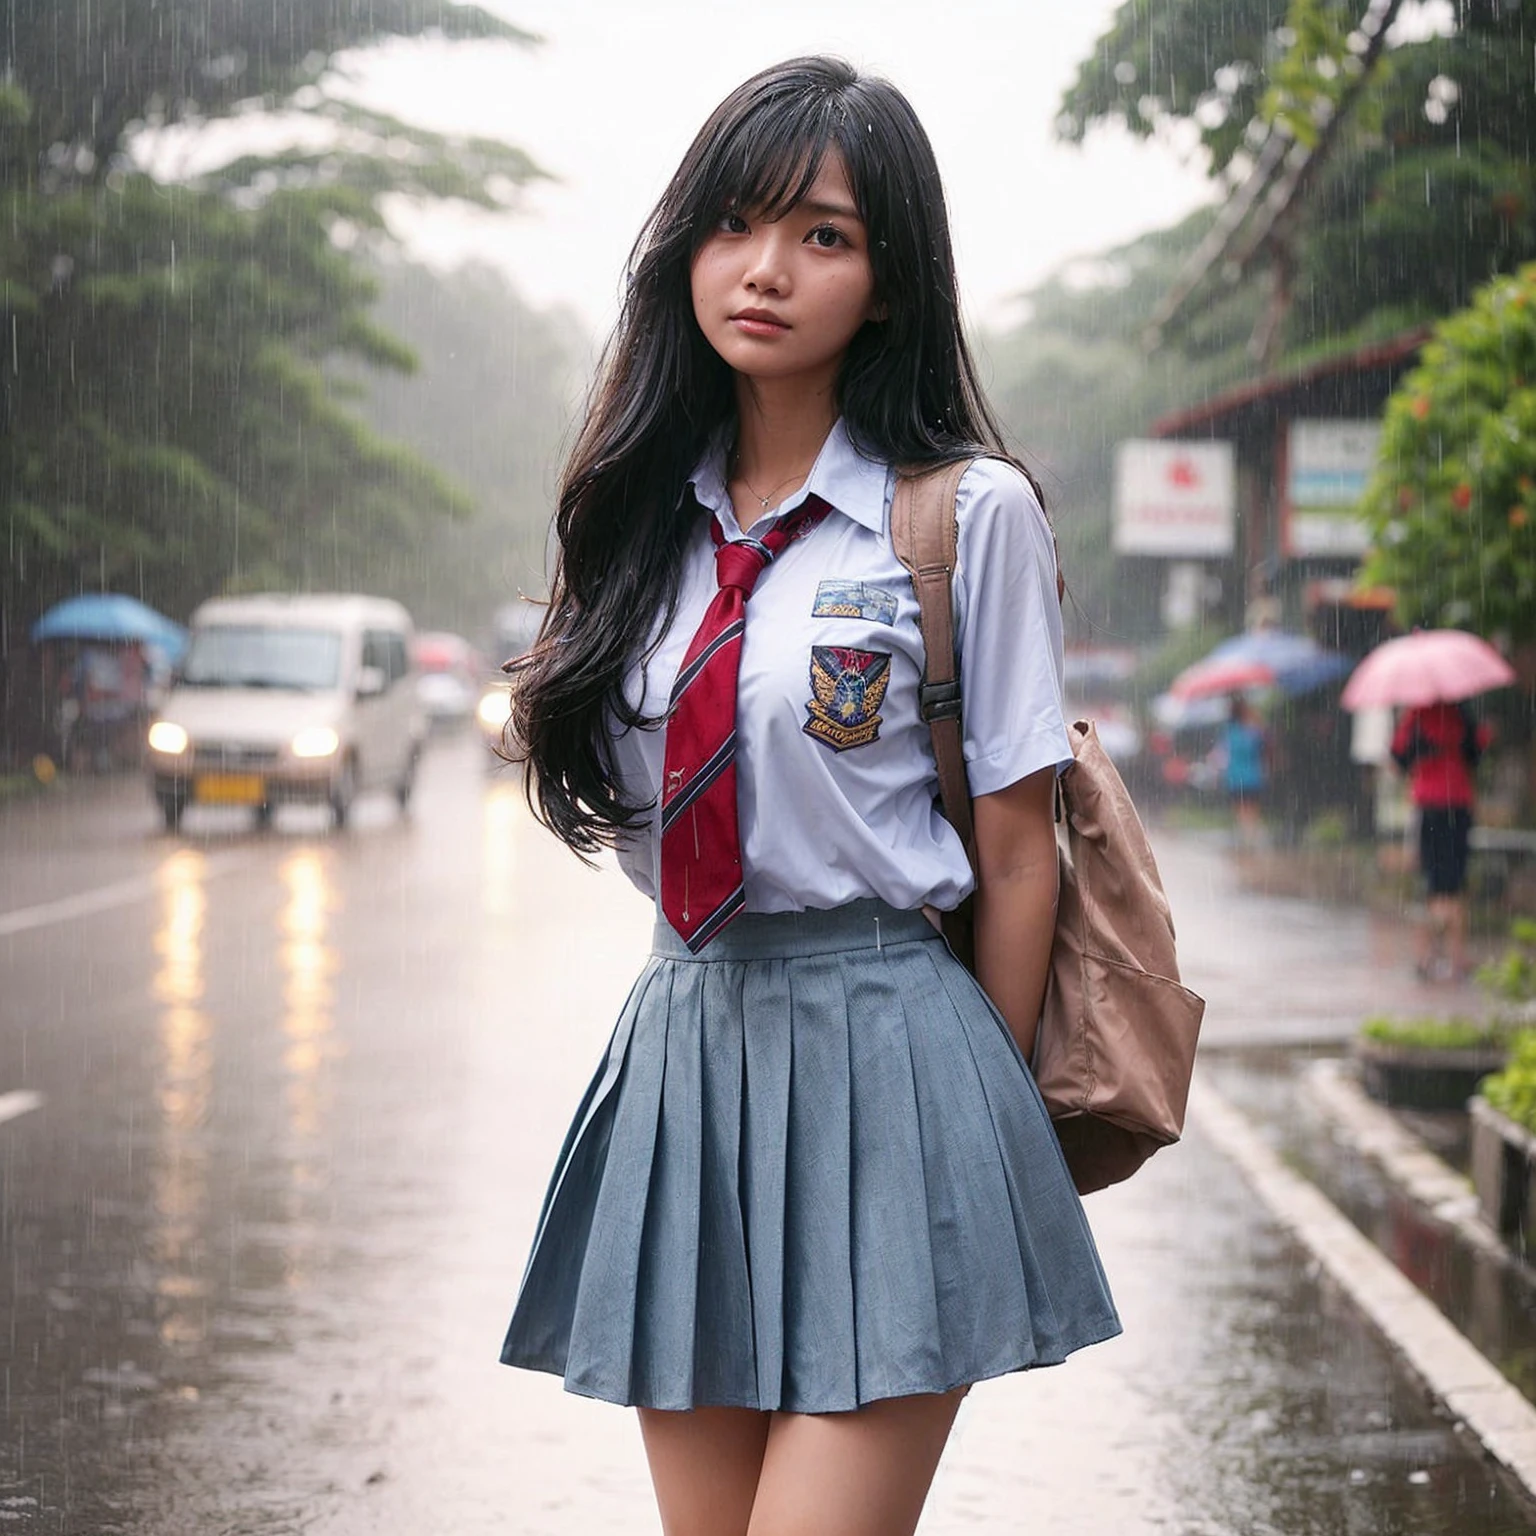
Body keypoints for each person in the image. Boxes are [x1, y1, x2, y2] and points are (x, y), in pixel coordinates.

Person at [501, 57, 1120, 1536]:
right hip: (687, 1047)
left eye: (824, 236)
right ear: (687, 253)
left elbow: (1020, 852)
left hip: (896, 1052)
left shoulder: (968, 516)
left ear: (892, 281)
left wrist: (994, 1107)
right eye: (734, 225)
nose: (766, 269)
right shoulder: (642, 519)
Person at [1392, 700, 1486, 981]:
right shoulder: (1462, 714)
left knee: (1434, 882)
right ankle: (1456, 957)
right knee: (1455, 882)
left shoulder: (1415, 716)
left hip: (1428, 805)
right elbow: (1476, 754)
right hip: (1458, 803)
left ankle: (1428, 955)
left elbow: (1398, 756)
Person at [1220, 695, 1268, 845]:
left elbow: (1223, 754)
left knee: (1241, 811)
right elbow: (1263, 745)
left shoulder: (1229, 732)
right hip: (1253, 776)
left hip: (1235, 777)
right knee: (1252, 810)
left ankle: (1247, 838)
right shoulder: (1253, 730)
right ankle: (1252, 837)